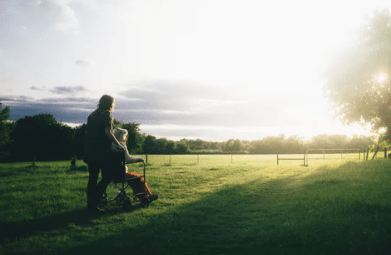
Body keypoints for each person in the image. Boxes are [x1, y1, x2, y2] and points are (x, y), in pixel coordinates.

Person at [84, 95, 125, 213]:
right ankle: (95, 199)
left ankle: (91, 205)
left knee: (93, 178)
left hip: (89, 150)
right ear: (110, 104)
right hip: (101, 151)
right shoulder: (106, 114)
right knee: (108, 176)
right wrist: (118, 144)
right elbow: (107, 132)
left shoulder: (92, 115)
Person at [112, 127, 159, 202]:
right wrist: (139, 158)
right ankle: (146, 196)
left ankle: (144, 196)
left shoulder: (112, 146)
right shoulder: (122, 146)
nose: (126, 138)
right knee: (138, 177)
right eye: (125, 136)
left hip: (111, 174)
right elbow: (128, 159)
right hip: (121, 173)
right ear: (120, 136)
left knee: (134, 178)